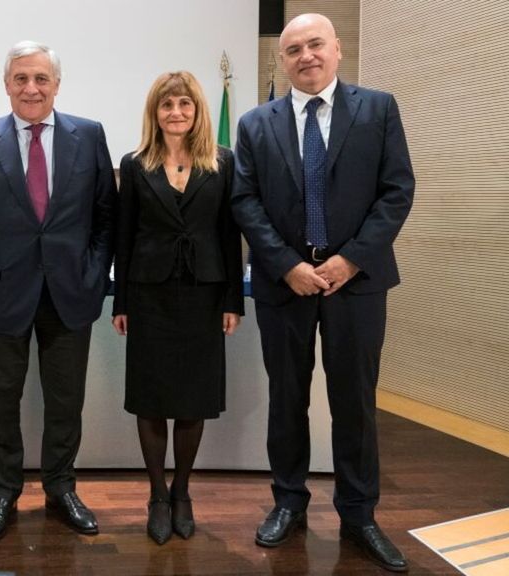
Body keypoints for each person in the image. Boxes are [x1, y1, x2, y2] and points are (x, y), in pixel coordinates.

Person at [232, 13, 414, 572]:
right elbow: (245, 201)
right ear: (281, 61)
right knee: (286, 398)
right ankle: (288, 502)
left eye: (315, 45)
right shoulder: (254, 123)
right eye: (293, 49)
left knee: (354, 402)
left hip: (356, 286)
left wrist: (350, 260)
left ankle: (359, 515)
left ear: (336, 50)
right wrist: (287, 265)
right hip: (284, 284)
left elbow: (397, 190)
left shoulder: (377, 109)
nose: (305, 56)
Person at [0, 40, 116, 542]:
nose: (31, 87)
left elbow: (107, 219)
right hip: (2, 294)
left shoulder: (89, 136)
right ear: (7, 84)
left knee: (65, 400)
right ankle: (3, 494)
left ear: (56, 85)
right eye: (21, 78)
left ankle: (61, 487)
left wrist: (93, 275)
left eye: (41, 78)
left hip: (71, 293)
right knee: (1, 400)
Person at [111, 71, 244, 545]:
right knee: (151, 398)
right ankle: (156, 495)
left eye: (184, 105)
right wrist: (120, 302)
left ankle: (183, 492)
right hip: (149, 296)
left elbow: (231, 235)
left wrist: (234, 300)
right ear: (155, 113)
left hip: (204, 295)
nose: (176, 113)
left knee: (193, 399)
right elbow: (122, 239)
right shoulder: (135, 163)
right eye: (167, 105)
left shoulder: (222, 163)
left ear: (197, 110)